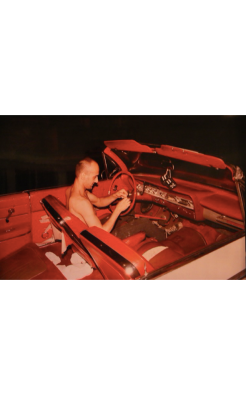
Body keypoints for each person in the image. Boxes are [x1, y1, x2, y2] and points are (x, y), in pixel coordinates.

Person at [66, 157, 131, 232]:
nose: (96, 181)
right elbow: (102, 233)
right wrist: (118, 210)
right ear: (83, 176)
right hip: (94, 239)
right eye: (95, 177)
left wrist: (115, 195)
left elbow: (99, 201)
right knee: (143, 223)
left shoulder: (72, 190)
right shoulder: (81, 202)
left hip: (90, 231)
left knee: (128, 216)